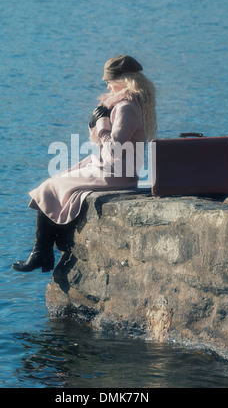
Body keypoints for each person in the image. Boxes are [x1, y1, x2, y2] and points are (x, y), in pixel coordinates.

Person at [11, 55, 157, 273]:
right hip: (113, 168)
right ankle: (44, 251)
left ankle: (40, 254)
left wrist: (100, 123)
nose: (107, 85)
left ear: (124, 80)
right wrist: (95, 124)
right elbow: (103, 142)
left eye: (109, 80)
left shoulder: (126, 106)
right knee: (57, 182)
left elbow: (114, 148)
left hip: (116, 173)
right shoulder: (123, 103)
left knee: (49, 187)